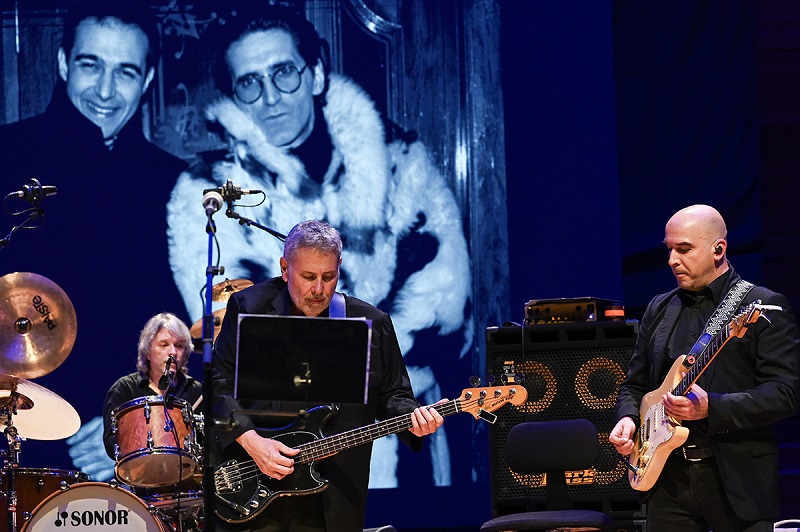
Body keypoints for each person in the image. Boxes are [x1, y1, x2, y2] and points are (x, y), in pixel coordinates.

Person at [166, 4, 470, 487]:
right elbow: (233, 335)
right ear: (234, 96)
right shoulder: (208, 195)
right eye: (250, 83)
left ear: (316, 74)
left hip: (386, 443)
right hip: (274, 444)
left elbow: (445, 310)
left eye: (284, 73)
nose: (270, 97)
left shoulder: (400, 164)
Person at [0, 1, 188, 474]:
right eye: (90, 64)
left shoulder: (175, 185)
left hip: (132, 454)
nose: (105, 90)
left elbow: (185, 332)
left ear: (147, 80)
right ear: (64, 63)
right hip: (13, 441)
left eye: (125, 71)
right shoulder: (6, 155)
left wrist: (139, 425)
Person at [211, 219, 445, 531]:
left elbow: (394, 394)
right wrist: (252, 441)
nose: (319, 289)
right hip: (255, 483)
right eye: (308, 277)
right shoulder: (248, 307)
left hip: (333, 496)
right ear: (285, 268)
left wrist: (415, 419)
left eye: (329, 276)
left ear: (339, 267)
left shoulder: (372, 323)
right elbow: (218, 383)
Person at [609, 204, 800, 531]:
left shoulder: (762, 306)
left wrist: (713, 407)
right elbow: (635, 385)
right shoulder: (659, 307)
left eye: (684, 249)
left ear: (718, 250)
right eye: (669, 249)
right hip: (667, 480)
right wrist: (628, 419)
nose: (672, 260)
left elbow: (785, 394)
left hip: (736, 479)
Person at [103, 312, 202, 461]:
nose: (173, 352)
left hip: (189, 473)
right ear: (148, 352)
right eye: (164, 344)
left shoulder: (196, 391)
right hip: (140, 471)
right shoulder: (125, 389)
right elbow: (112, 444)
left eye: (179, 346)